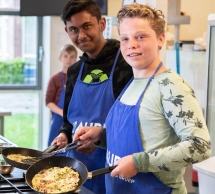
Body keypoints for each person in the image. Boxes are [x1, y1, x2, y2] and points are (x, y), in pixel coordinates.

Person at [73, 3, 211, 194]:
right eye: (125, 38)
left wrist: (140, 163)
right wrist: (102, 135)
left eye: (140, 37)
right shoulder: (133, 82)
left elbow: (200, 146)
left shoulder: (170, 86)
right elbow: (147, 133)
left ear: (160, 39)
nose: (132, 45)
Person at [51, 0, 133, 193]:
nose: (81, 35)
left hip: (113, 168)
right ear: (67, 31)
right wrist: (64, 134)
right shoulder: (74, 71)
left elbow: (133, 124)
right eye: (74, 29)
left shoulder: (126, 64)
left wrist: (101, 138)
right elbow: (68, 121)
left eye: (87, 26)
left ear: (102, 24)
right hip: (75, 172)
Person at [46, 44, 77, 147]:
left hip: (74, 119)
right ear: (60, 58)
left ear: (76, 59)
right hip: (58, 120)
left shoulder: (78, 79)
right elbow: (48, 102)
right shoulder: (55, 79)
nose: (69, 59)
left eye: (72, 56)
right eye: (66, 56)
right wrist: (62, 113)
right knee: (54, 149)